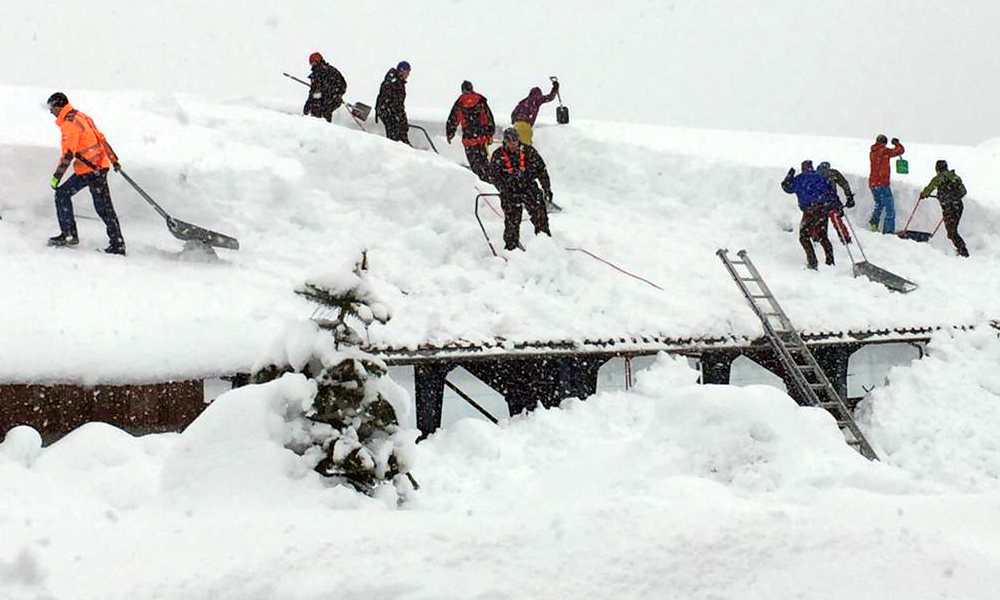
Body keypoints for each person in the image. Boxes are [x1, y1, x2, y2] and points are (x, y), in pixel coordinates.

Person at [45, 92, 126, 255]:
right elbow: (101, 139)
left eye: (51, 108)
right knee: (104, 207)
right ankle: (118, 243)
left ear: (59, 106)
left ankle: (69, 235)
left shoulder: (69, 123)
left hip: (90, 170)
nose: (50, 112)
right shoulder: (82, 116)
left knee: (62, 194)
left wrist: (56, 177)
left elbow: (68, 154)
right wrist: (113, 160)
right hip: (99, 167)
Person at [489, 127, 552, 251]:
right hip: (510, 190)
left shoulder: (529, 152)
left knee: (540, 214)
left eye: (515, 141)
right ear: (505, 142)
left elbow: (541, 171)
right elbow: (494, 176)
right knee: (512, 220)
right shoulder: (498, 155)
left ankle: (545, 243)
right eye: (509, 141)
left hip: (529, 187)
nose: (513, 144)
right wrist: (503, 189)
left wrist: (547, 188)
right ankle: (511, 246)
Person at [781, 160, 834, 269]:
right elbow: (830, 192)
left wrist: (789, 175)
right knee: (823, 236)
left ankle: (812, 261)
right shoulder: (820, 178)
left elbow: (787, 188)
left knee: (804, 237)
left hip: (810, 211)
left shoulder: (800, 178)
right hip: (823, 209)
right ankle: (830, 261)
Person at [445, 81, 495, 183]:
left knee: (474, 164)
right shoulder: (480, 100)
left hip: (469, 139)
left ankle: (478, 182)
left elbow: (453, 119)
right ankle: (487, 182)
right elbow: (489, 118)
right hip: (481, 138)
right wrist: (490, 133)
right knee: (484, 162)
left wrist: (450, 133)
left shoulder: (459, 102)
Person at [919, 160, 969, 257]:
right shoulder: (955, 177)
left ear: (937, 169)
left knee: (951, 232)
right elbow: (964, 191)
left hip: (949, 208)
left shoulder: (939, 178)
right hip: (958, 206)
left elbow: (929, 188)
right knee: (952, 230)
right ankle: (961, 249)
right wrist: (953, 197)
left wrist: (923, 195)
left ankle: (963, 252)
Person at [867, 134, 905, 233]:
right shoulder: (883, 151)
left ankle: (874, 223)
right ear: (884, 143)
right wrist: (896, 143)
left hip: (873, 183)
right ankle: (888, 231)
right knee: (890, 209)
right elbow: (900, 150)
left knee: (879, 204)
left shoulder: (873, 152)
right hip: (882, 183)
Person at [510, 80, 559, 146]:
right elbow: (550, 97)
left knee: (515, 145)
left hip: (516, 126)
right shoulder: (536, 99)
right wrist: (555, 88)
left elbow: (513, 114)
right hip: (525, 126)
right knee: (526, 147)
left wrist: (516, 122)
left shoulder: (523, 101)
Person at [817, 161, 855, 244]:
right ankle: (845, 237)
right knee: (836, 219)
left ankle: (817, 238)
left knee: (819, 221)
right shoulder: (832, 173)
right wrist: (849, 197)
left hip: (818, 203)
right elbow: (844, 184)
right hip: (832, 201)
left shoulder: (815, 175)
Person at [302, 52, 347, 123]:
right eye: (311, 63)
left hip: (331, 100)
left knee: (325, 112)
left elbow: (342, 85)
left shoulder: (330, 71)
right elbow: (314, 92)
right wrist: (308, 103)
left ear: (318, 60)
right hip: (320, 101)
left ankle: (326, 129)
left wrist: (335, 94)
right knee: (316, 111)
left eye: (314, 62)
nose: (313, 65)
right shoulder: (315, 75)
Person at [375, 61, 411, 145]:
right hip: (388, 113)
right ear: (401, 70)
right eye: (407, 72)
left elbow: (400, 105)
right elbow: (392, 102)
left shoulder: (399, 83)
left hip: (392, 113)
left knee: (401, 134)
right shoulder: (392, 82)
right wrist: (397, 117)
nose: (408, 75)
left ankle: (404, 146)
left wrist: (403, 120)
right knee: (394, 136)